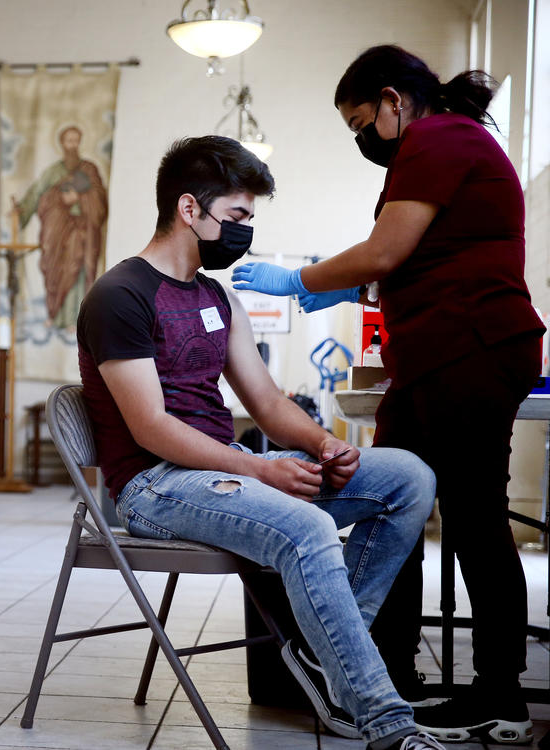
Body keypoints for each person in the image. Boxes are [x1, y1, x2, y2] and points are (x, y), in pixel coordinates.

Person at [77, 134, 443, 750]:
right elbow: (152, 429)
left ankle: (321, 647)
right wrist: (258, 471)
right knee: (307, 529)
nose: (245, 231)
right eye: (238, 217)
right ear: (189, 209)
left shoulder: (216, 297)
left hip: (225, 472)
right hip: (155, 485)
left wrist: (325, 446)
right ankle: (387, 721)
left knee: (408, 478)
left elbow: (270, 406)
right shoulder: (120, 297)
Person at [231, 45, 545, 745]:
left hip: (471, 349)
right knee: (393, 497)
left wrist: (300, 281)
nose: (360, 138)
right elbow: (412, 259)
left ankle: (500, 694)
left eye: (359, 121)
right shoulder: (441, 145)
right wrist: (348, 286)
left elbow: (384, 251)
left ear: (394, 101)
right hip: (438, 357)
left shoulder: (440, 136)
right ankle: (388, 678)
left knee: (472, 520)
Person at [16, 125, 108, 329]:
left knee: (78, 269)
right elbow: (37, 192)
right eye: (68, 141)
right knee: (56, 269)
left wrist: (81, 197)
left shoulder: (89, 169)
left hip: (83, 231)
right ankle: (57, 316)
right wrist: (22, 210)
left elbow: (100, 199)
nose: (72, 145)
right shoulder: (53, 171)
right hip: (58, 231)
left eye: (76, 140)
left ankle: (76, 318)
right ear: (62, 144)